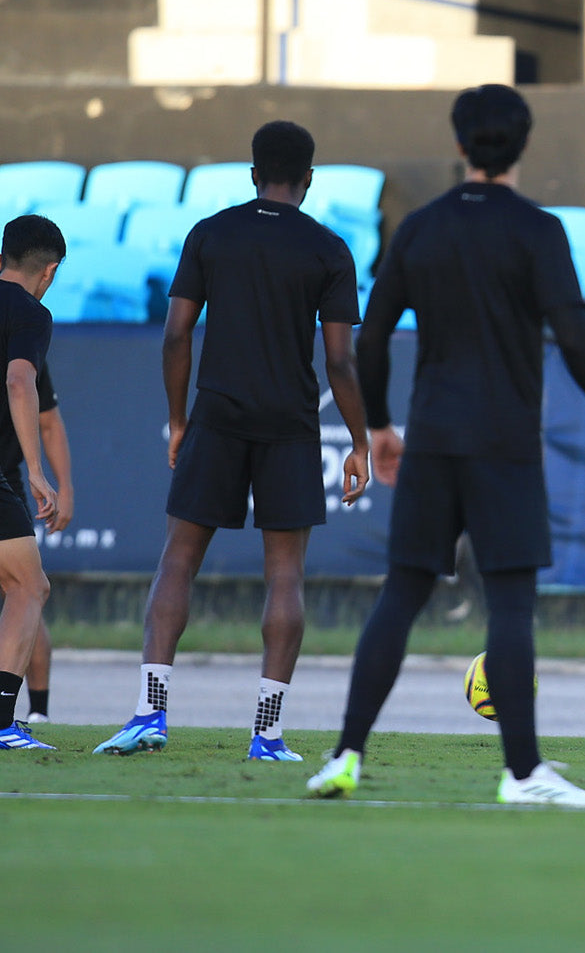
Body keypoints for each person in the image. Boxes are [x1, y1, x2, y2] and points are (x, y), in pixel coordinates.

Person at [307, 84, 585, 808]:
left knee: (402, 593)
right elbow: (574, 332)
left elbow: (371, 337)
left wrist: (382, 427)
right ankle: (522, 773)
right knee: (511, 604)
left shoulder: (420, 228)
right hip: (504, 442)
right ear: (522, 147)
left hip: (432, 437)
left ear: (459, 145)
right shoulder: (538, 229)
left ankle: (344, 754)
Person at [94, 120, 372, 761]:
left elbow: (175, 334)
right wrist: (357, 441)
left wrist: (179, 418)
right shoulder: (329, 249)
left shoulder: (210, 233)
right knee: (285, 575)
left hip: (216, 418)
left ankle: (149, 716)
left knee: (178, 560)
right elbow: (340, 363)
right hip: (290, 426)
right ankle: (267, 734)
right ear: (309, 177)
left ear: (252, 173)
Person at [0, 215, 63, 751]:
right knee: (29, 586)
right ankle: (2, 721)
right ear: (49, 270)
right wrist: (36, 471)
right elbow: (21, 381)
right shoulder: (30, 313)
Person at [0, 358, 74, 724]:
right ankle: (30, 713)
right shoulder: (23, 332)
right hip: (11, 482)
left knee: (26, 590)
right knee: (28, 589)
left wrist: (63, 485)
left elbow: (48, 420)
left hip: (9, 482)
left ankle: (37, 711)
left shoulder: (26, 347)